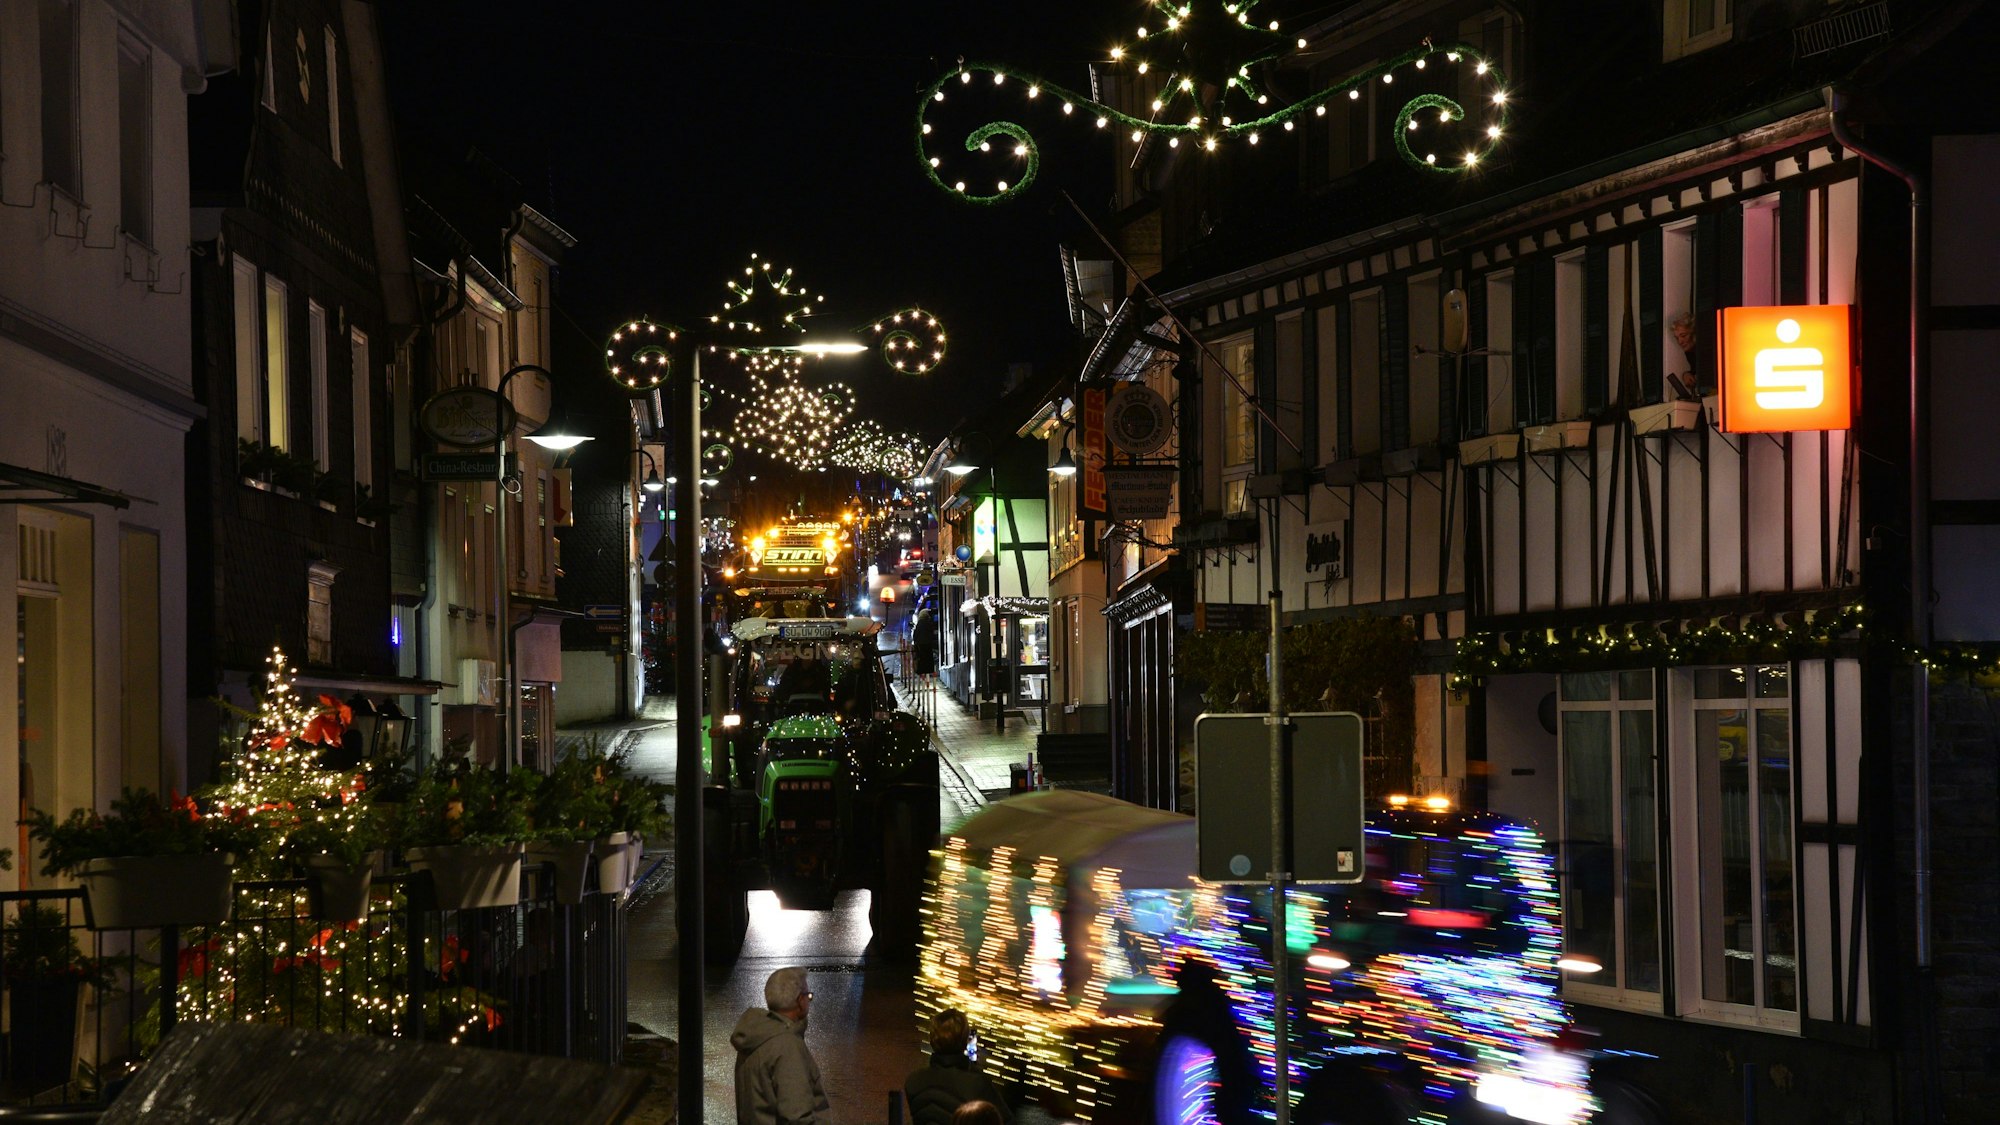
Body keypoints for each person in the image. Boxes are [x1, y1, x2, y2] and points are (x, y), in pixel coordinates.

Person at [732, 966, 831, 1125]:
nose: (808, 1000)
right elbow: (797, 1116)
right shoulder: (786, 1047)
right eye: (808, 995)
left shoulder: (756, 1036)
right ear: (799, 1001)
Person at [905, 1009, 1011, 1125]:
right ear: (965, 1041)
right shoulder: (977, 1083)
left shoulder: (913, 1081)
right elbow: (1007, 1120)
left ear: (932, 1040)